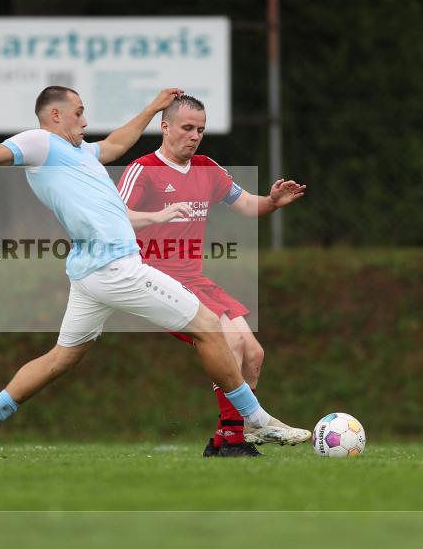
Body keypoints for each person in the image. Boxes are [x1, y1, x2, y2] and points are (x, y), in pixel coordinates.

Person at [0, 87, 310, 457]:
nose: (85, 118)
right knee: (209, 326)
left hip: (88, 272)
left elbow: (118, 142)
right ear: (55, 115)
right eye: (79, 112)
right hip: (114, 266)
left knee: (62, 358)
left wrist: (153, 108)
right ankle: (254, 418)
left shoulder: (79, 152)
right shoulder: (41, 143)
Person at [118, 94, 305, 458]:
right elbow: (114, 215)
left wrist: (272, 201)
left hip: (195, 278)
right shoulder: (143, 169)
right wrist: (157, 216)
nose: (194, 136)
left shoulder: (207, 168)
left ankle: (226, 438)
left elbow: (248, 205)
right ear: (165, 126)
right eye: (187, 128)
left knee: (253, 353)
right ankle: (235, 438)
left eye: (200, 129)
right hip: (155, 277)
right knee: (228, 339)